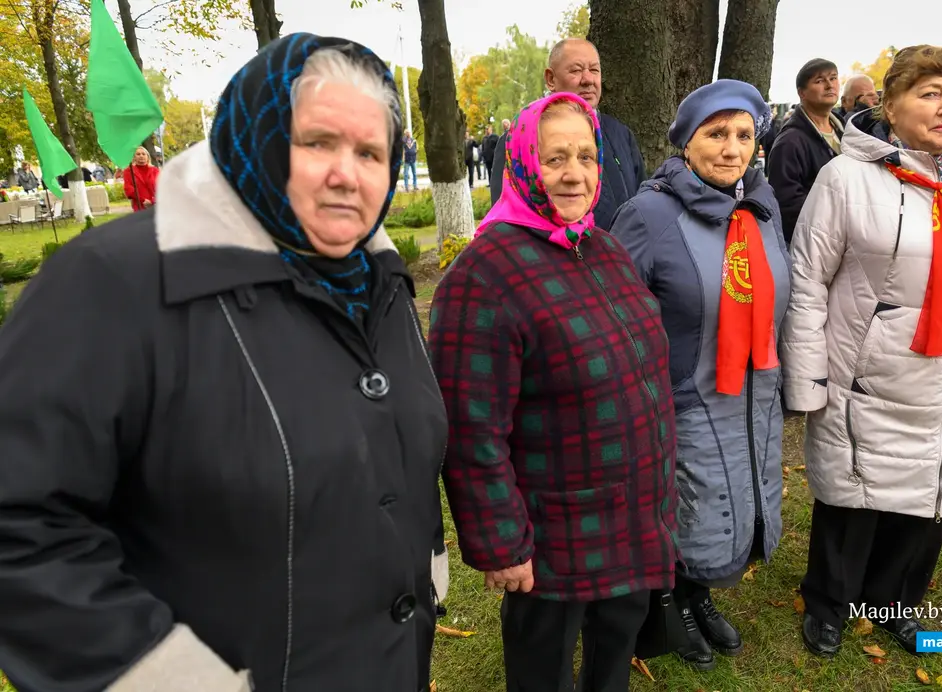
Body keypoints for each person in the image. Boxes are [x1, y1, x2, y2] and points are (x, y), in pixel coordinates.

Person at [0, 34, 449, 692]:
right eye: (317, 142)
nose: (347, 173)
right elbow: (19, 526)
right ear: (258, 133)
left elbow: (393, 464)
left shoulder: (377, 283)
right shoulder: (113, 283)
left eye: (371, 152)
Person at [781, 45, 942, 659]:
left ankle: (894, 603)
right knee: (855, 494)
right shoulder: (847, 176)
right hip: (870, 373)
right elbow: (808, 278)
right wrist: (808, 379)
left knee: (932, 493)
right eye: (930, 93)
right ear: (891, 106)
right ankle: (830, 603)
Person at [429, 92, 677, 692]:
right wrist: (500, 543)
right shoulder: (483, 275)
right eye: (555, 158)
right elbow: (469, 429)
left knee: (617, 639)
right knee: (544, 662)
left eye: (588, 157)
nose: (575, 174)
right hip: (553, 531)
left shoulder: (602, 247)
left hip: (633, 508)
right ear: (520, 164)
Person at [612, 80, 789, 672]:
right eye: (716, 134)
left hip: (752, 394)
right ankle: (674, 604)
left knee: (732, 503)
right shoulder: (649, 214)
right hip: (684, 397)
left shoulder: (761, 207)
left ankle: (700, 594)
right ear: (687, 143)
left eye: (744, 135)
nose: (732, 148)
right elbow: (615, 314)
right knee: (687, 508)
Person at [490, 38, 646, 231]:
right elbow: (507, 214)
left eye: (594, 70)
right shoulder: (521, 138)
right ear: (551, 79)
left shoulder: (620, 134)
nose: (588, 79)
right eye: (576, 70)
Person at [767, 58, 844, 243]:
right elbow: (787, 203)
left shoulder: (846, 132)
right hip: (815, 243)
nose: (829, 85)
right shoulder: (790, 142)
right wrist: (832, 227)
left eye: (833, 78)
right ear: (802, 93)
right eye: (819, 81)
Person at [124, 146, 159, 211]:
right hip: (139, 206)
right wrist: (143, 200)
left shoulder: (155, 170)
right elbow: (129, 190)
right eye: (138, 154)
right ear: (134, 157)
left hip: (156, 205)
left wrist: (152, 201)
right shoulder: (129, 171)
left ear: (147, 157)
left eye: (143, 154)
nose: (141, 156)